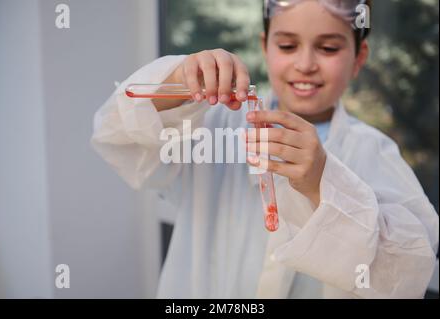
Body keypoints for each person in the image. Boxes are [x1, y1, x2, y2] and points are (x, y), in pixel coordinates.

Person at [91, 0, 439, 298]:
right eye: (287, 46)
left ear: (359, 56)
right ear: (264, 46)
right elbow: (116, 136)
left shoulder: (374, 153)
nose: (305, 64)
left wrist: (324, 183)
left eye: (329, 48)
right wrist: (178, 83)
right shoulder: (214, 125)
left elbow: (408, 272)